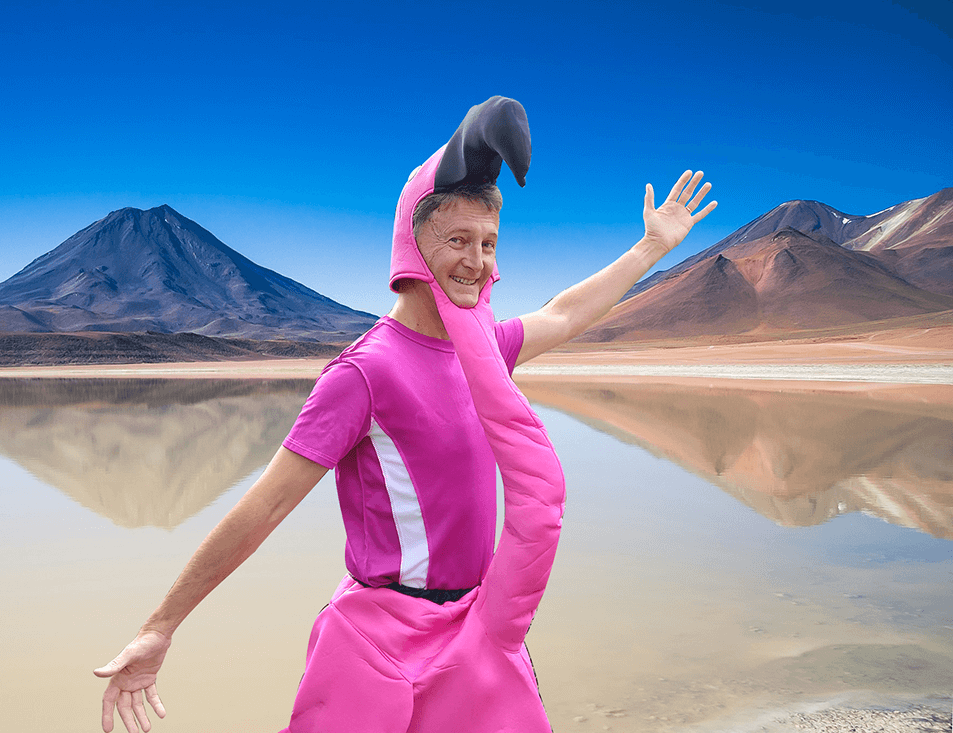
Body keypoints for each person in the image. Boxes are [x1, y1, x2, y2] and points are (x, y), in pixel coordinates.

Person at [94, 97, 716, 733]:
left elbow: (562, 313)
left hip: (477, 631)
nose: (477, 262)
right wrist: (160, 627)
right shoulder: (363, 374)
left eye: (489, 244)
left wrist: (649, 248)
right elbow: (265, 506)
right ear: (411, 247)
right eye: (457, 240)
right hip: (383, 644)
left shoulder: (487, 351)